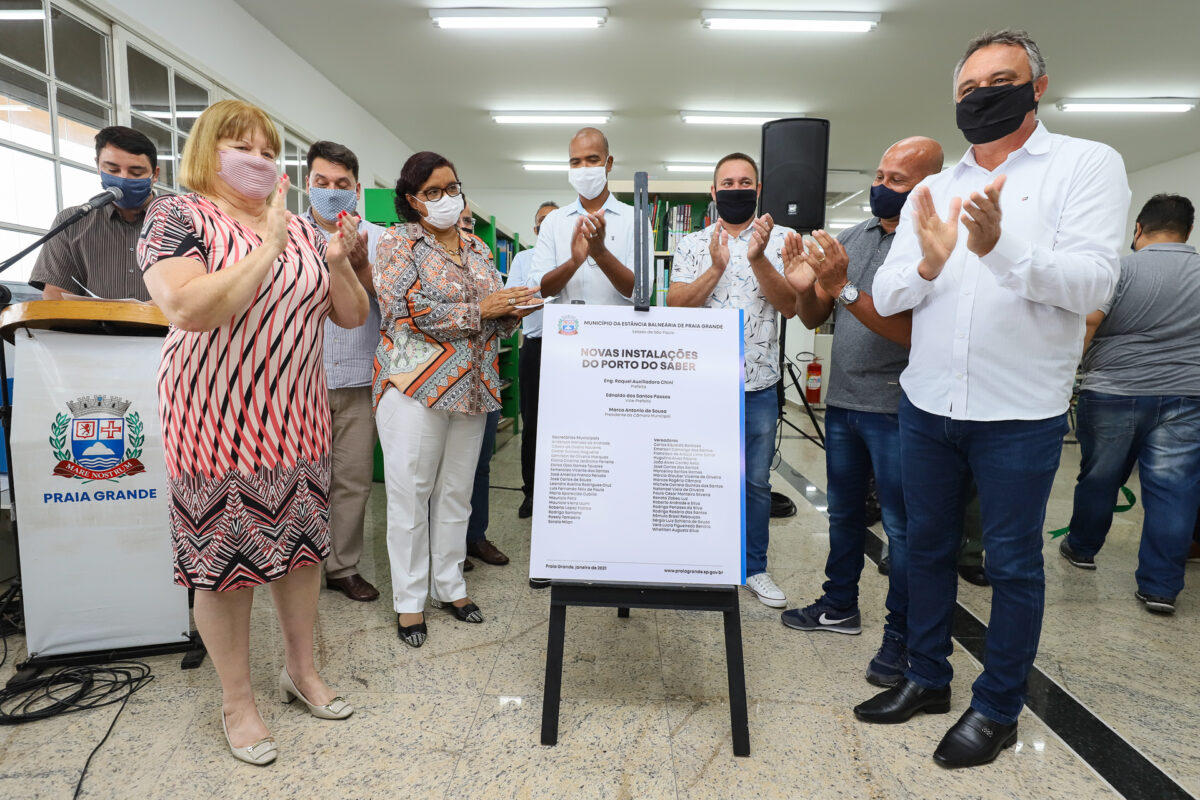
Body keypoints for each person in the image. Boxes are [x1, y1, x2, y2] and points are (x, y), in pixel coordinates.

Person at [857, 29, 1130, 769]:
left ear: (1037, 87)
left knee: (1011, 564)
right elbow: (888, 291)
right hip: (928, 404)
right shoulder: (934, 188)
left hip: (1019, 412)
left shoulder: (1085, 165)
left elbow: (1094, 283)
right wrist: (929, 263)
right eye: (968, 89)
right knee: (924, 549)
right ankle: (926, 677)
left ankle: (998, 708)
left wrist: (999, 248)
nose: (982, 97)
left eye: (1000, 82)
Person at [138, 99, 368, 764]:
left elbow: (351, 316)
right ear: (208, 151)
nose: (259, 161)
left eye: (269, 151)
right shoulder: (177, 216)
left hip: (296, 416)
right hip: (214, 419)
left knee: (301, 554)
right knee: (225, 568)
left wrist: (338, 261)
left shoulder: (300, 228)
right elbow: (188, 307)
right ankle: (237, 701)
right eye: (243, 148)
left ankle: (302, 671)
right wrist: (266, 246)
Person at [780, 138, 944, 689]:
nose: (881, 186)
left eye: (897, 180)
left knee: (902, 529)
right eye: (879, 175)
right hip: (845, 403)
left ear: (927, 186)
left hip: (899, 409)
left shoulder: (932, 243)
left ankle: (902, 637)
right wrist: (803, 287)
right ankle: (838, 605)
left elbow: (915, 331)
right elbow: (812, 317)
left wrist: (843, 287)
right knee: (844, 514)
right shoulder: (853, 236)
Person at [373, 151, 536, 648]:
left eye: (452, 188)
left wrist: (511, 311)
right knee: (411, 495)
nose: (446, 198)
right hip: (415, 387)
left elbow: (491, 314)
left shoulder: (478, 247)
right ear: (411, 199)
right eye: (433, 192)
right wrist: (481, 309)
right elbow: (403, 311)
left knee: (456, 493)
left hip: (474, 388)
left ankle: (450, 586)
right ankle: (409, 600)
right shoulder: (398, 242)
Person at [667, 152, 798, 607]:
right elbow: (676, 306)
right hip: (701, 387)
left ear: (758, 190)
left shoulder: (784, 240)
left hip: (758, 386)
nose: (736, 189)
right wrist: (717, 267)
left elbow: (790, 306)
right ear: (713, 191)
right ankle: (698, 562)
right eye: (727, 182)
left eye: (745, 182)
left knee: (755, 483)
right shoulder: (691, 243)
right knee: (696, 476)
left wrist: (758, 259)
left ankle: (753, 567)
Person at [1060, 193, 1200, 616]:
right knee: (1174, 489)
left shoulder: (1118, 269)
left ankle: (1082, 548)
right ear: (1188, 231)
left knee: (1100, 477)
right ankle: (1160, 588)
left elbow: (1088, 324)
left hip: (1113, 392)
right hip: (1188, 394)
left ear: (1138, 229)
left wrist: (1060, 383)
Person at [304, 140, 384, 602]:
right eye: (322, 182)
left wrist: (362, 266)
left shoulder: (380, 238)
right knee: (299, 478)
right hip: (299, 382)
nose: (331, 191)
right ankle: (297, 568)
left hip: (358, 380)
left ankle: (342, 567)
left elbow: (397, 306)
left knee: (352, 480)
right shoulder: (287, 235)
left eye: (341, 183)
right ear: (307, 183)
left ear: (356, 188)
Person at [32, 126, 159, 301]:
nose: (123, 179)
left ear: (155, 174)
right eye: (113, 170)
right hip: (91, 320)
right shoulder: (72, 222)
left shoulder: (184, 220)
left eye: (136, 172)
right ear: (98, 166)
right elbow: (55, 293)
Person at [528, 127, 647, 306]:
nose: (583, 168)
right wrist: (573, 262)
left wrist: (601, 254)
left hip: (615, 324)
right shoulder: (553, 222)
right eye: (575, 162)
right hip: (565, 324)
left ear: (609, 163)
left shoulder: (635, 219)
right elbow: (537, 290)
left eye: (592, 160)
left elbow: (641, 292)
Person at [461, 197, 510, 569]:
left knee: (480, 464)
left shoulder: (483, 254)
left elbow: (499, 316)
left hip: (486, 377)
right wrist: (483, 310)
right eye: (460, 220)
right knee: (441, 473)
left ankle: (475, 536)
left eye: (469, 221)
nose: (466, 227)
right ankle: (444, 546)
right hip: (443, 381)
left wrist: (513, 310)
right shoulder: (419, 254)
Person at [512, 202, 559, 522]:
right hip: (537, 347)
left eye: (554, 220)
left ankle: (562, 490)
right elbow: (514, 301)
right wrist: (545, 298)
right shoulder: (523, 259)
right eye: (543, 221)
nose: (548, 225)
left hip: (571, 350)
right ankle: (531, 492)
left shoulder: (575, 257)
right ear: (535, 229)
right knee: (533, 424)